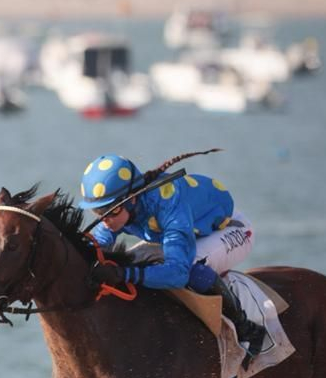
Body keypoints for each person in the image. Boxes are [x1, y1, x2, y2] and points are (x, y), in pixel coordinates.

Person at [79, 153, 267, 357]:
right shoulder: (120, 210)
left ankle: (247, 328)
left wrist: (125, 274)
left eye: (110, 211)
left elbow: (178, 274)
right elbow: (96, 245)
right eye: (98, 212)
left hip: (232, 229)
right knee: (134, 260)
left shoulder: (167, 206)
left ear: (132, 199)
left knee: (193, 268)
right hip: (188, 227)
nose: (105, 220)